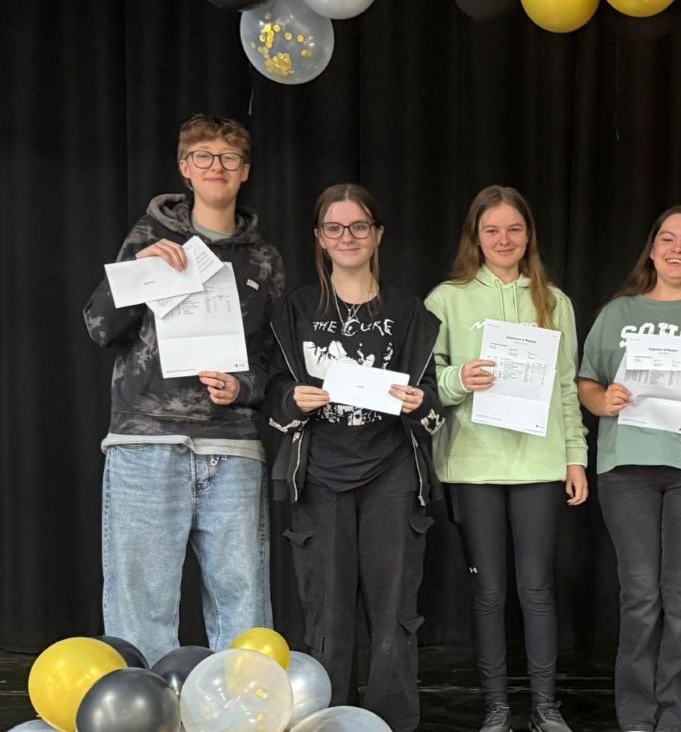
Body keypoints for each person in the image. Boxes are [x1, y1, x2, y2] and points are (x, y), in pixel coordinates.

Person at [82, 112, 285, 666]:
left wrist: (242, 386)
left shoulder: (264, 259)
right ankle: (143, 706)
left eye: (229, 158)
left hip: (232, 446)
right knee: (140, 608)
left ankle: (243, 707)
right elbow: (99, 327)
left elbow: (274, 361)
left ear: (245, 171)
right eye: (203, 156)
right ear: (185, 168)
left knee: (243, 606)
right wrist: (137, 272)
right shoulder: (149, 240)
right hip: (145, 442)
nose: (216, 166)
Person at [265, 183, 444, 731]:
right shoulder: (294, 310)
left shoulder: (408, 311)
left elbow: (433, 399)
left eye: (359, 226)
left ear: (377, 235)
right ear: (320, 238)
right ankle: (328, 723)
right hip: (320, 472)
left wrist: (420, 403)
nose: (348, 237)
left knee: (394, 614)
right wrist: (291, 400)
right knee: (327, 611)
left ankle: (392, 724)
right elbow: (270, 387)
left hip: (392, 472)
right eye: (335, 228)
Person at [424, 185, 588, 732]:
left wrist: (575, 457)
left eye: (514, 229)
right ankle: (496, 707)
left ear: (528, 235)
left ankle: (545, 706)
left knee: (536, 587)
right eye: (491, 229)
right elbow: (425, 382)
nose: (503, 239)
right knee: (488, 590)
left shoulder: (554, 301)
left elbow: (566, 387)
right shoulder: (446, 299)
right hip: (473, 463)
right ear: (475, 236)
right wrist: (459, 378)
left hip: (538, 464)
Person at [577, 205, 681, 732]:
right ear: (652, 250)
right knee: (641, 598)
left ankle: (678, 719)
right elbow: (587, 380)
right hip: (626, 468)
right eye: (668, 239)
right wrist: (603, 400)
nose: (678, 249)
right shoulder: (618, 313)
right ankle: (636, 717)